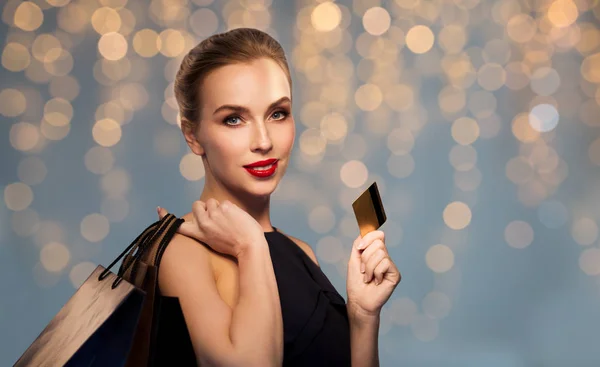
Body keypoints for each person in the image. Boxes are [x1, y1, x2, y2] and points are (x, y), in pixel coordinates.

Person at [153, 27, 401, 367]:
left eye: (277, 113)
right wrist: (250, 246)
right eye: (234, 119)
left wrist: (362, 317)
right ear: (193, 135)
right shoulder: (179, 251)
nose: (264, 140)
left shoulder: (300, 252)